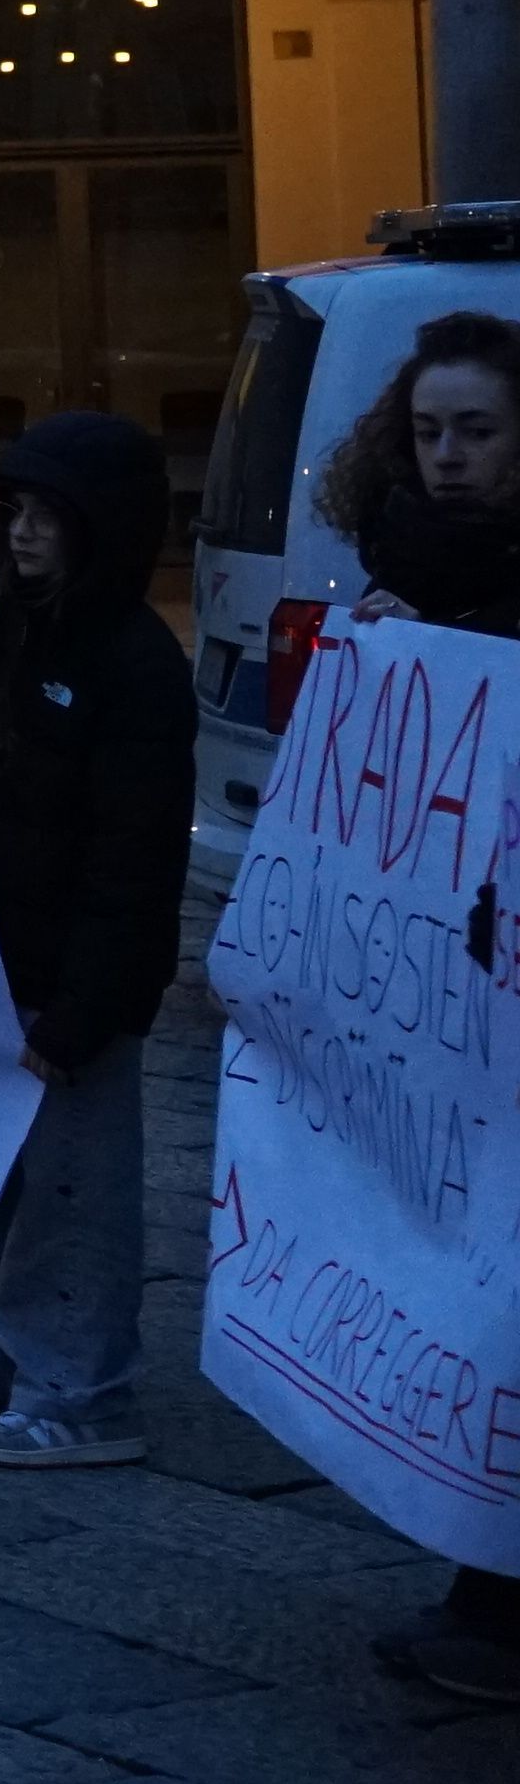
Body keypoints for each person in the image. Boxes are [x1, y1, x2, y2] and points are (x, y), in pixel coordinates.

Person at [0, 412, 193, 1471]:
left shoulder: (134, 662)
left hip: (70, 974)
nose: (22, 533)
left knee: (70, 1189)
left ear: (96, 526)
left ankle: (81, 1385)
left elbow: (135, 853)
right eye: (13, 510)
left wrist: (88, 1004)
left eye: (47, 516)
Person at [316, 317, 520, 1699]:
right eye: (431, 431)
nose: (447, 457)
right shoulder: (406, 577)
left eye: (479, 432)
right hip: (453, 994)